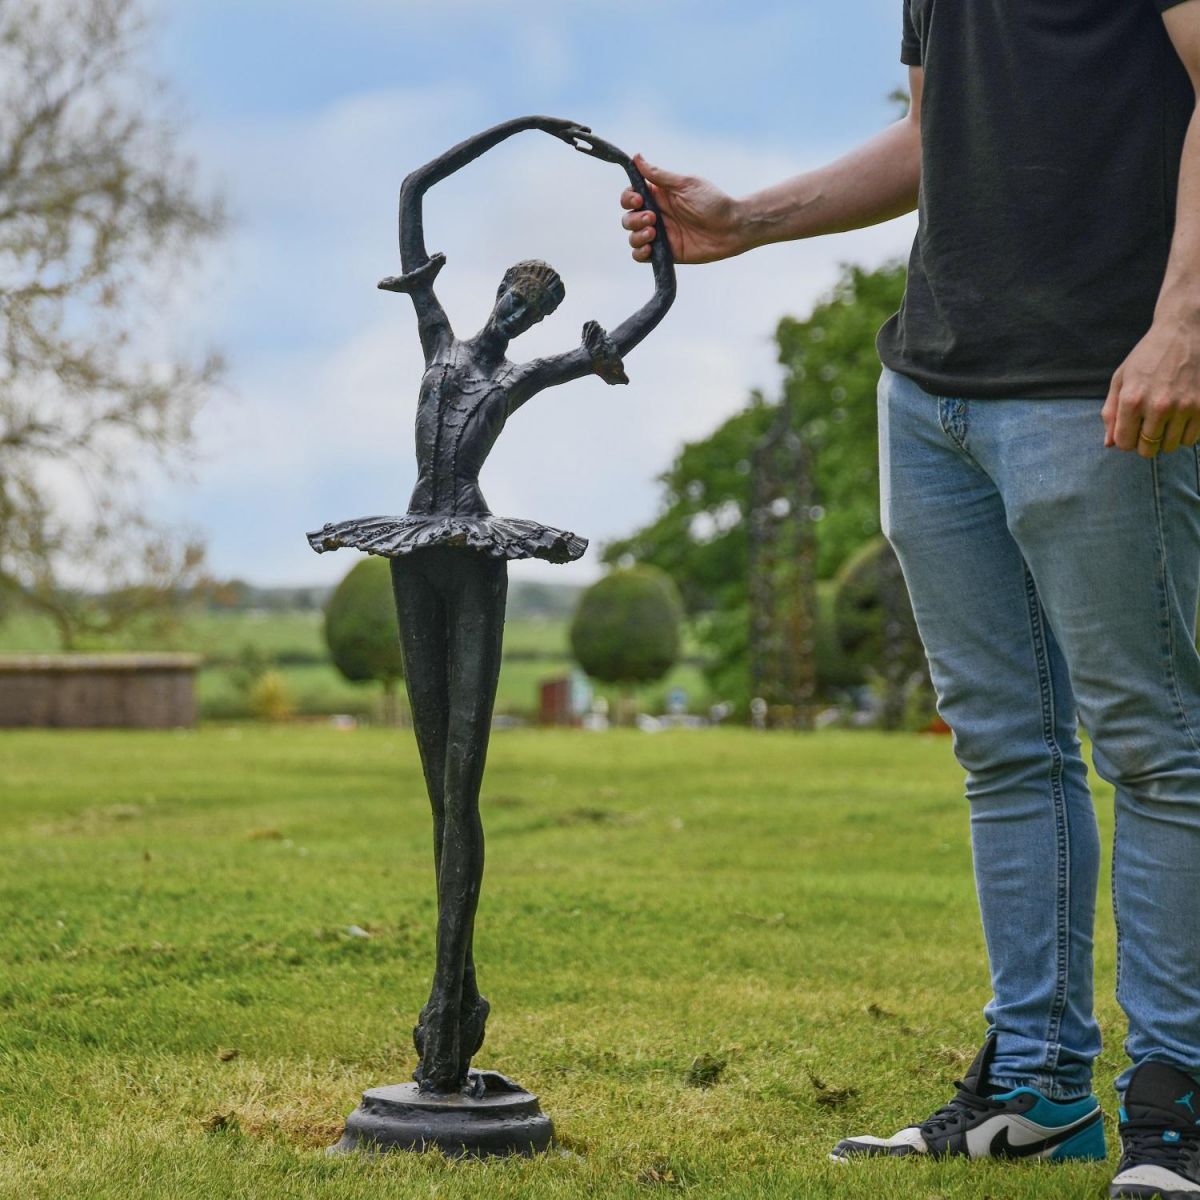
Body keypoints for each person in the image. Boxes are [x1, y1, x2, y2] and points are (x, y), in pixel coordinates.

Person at [622, 3, 1200, 1196]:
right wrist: (749, 219)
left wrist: (1186, 326)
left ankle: (1179, 1102)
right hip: (932, 390)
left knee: (1152, 746)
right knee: (1004, 749)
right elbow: (948, 139)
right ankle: (1039, 1087)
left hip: (1098, 380)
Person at [309, 115, 674, 1094]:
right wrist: (529, 128)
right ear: (496, 291)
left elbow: (653, 309)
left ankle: (446, 999)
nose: (517, 315)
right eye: (514, 295)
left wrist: (664, 256)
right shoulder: (435, 338)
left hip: (473, 548)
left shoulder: (522, 376)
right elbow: (411, 193)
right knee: (437, 785)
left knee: (462, 779)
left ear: (540, 326)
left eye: (533, 310)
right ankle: (454, 1001)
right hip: (412, 537)